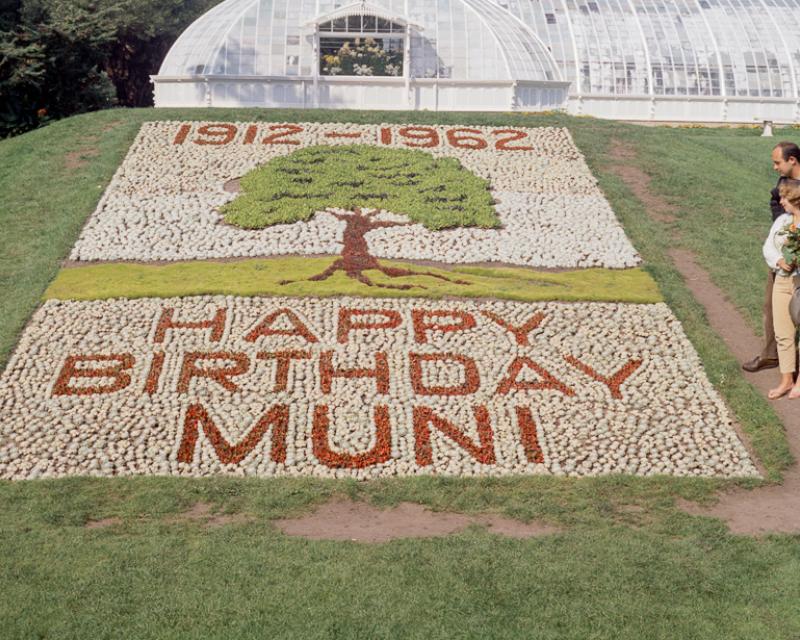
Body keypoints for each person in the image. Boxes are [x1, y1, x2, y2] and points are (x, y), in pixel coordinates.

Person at [743, 141, 800, 372]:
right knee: (771, 307)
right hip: (783, 258)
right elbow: (776, 206)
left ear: (792, 160)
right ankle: (771, 354)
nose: (775, 167)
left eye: (778, 162)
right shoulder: (783, 184)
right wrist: (783, 245)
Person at [763, 181, 800, 399]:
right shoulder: (782, 221)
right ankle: (786, 380)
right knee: (783, 332)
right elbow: (768, 245)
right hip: (782, 281)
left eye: (784, 198)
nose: (780, 201)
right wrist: (779, 260)